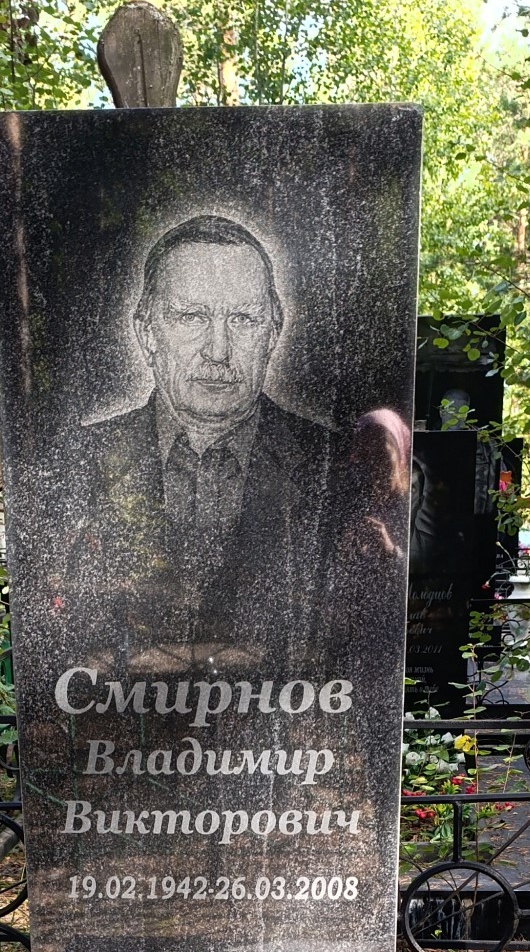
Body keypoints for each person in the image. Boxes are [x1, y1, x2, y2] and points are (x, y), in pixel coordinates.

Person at [69, 215, 335, 662]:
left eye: (243, 319)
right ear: (147, 332)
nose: (218, 351)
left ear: (272, 332)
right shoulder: (79, 460)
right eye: (192, 317)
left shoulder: (333, 462)